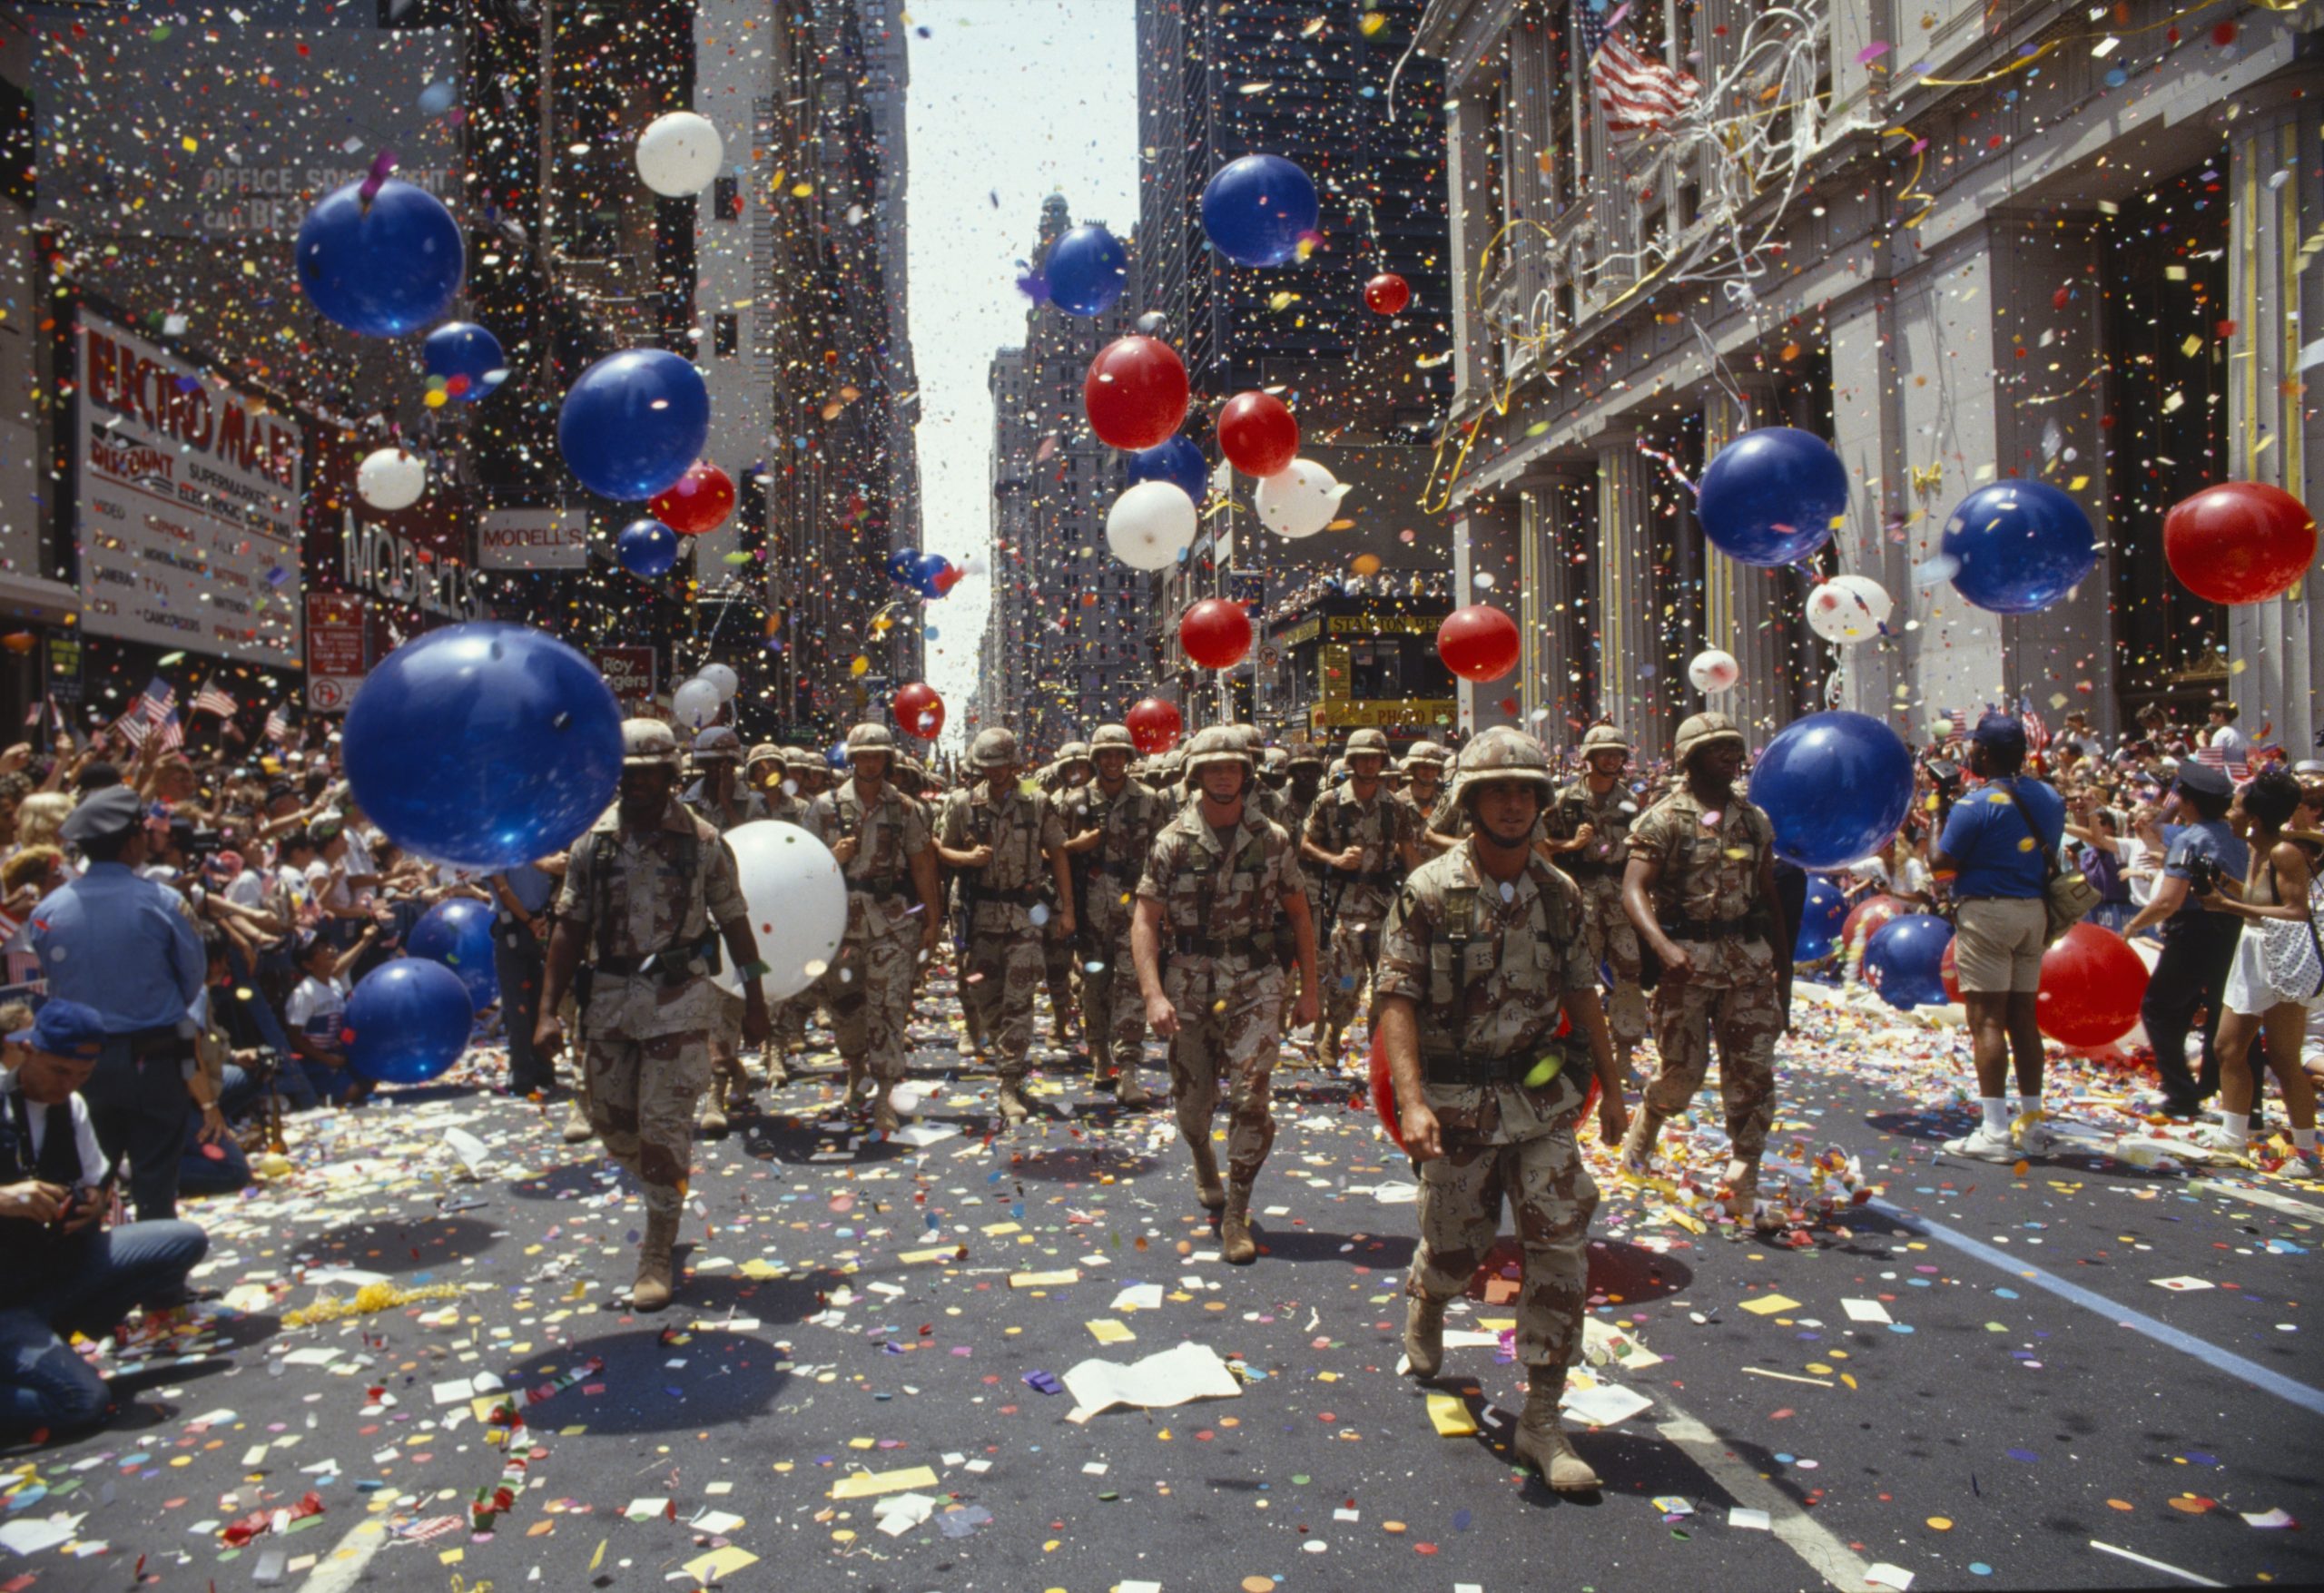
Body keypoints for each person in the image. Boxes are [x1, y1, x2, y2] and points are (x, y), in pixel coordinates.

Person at [1376, 725, 1627, 1491]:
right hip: (1458, 1106)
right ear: (1472, 801)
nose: (1514, 805)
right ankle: (1428, 1294)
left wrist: (1614, 1087)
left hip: (1541, 1099)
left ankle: (1543, 1418)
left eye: (1526, 791)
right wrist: (1413, 1102)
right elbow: (1396, 996)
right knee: (1459, 1246)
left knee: (1560, 1239)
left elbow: (1583, 992)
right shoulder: (1427, 891)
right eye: (1499, 791)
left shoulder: (1561, 894)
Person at [534, 720, 770, 1312]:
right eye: (626, 775)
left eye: (647, 775)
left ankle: (658, 1246)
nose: (635, 786)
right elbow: (570, 925)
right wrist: (547, 1011)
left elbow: (736, 919)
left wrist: (758, 999)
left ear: (671, 775)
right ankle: (665, 1183)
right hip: (610, 998)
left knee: (663, 1124)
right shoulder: (594, 843)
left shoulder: (704, 841)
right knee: (614, 1122)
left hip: (678, 998)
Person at [1131, 726, 1319, 1263]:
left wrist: (1310, 991)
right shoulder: (1172, 842)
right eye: (1213, 768)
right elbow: (1145, 921)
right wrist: (1153, 996)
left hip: (1256, 981)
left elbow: (1300, 914)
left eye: (1232, 768)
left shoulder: (1273, 839)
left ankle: (1238, 1210)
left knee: (1251, 1097)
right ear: (1196, 775)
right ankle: (1202, 1159)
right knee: (1193, 1111)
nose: (1223, 776)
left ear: (1245, 774)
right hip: (1189, 984)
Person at [0, 999, 210, 1441]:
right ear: (28, 1052)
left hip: (53, 1266)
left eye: (82, 1076)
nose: (69, 1086)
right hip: (6, 1297)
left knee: (181, 1240)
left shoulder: (72, 1107)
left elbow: (98, 1184)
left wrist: (92, 1205)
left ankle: (61, 1332)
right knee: (82, 1403)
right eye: (60, 1072)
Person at [1620, 712, 1789, 1231]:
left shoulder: (1754, 821)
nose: (1730, 757)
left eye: (1734, 748)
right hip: (1687, 966)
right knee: (1682, 1075)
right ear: (1688, 759)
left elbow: (1769, 896)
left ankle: (1746, 1175)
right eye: (1716, 748)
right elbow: (1633, 888)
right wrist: (1662, 945)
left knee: (1753, 1074)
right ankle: (1649, 1117)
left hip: (1748, 964)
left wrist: (1787, 973)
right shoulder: (1664, 819)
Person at [27, 787, 207, 1223]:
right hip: (158, 1048)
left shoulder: (46, 912)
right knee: (157, 1175)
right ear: (132, 841)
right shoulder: (164, 902)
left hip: (81, 1059)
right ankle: (162, 1282)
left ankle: (98, 1278)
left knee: (90, 1175)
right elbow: (192, 977)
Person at [1929, 713, 2069, 1160]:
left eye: (1974, 748)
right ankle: (2031, 1127)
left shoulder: (1976, 804)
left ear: (1983, 754)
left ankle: (1994, 1131)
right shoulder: (2049, 797)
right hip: (2034, 913)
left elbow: (1940, 864)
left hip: (1988, 913)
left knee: (1987, 1020)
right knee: (2023, 1020)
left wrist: (1938, 811)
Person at [803, 723, 941, 1131]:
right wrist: (833, 857)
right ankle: (854, 1068)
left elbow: (922, 864)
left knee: (888, 1008)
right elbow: (805, 869)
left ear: (887, 759)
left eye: (876, 755)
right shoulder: (823, 808)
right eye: (863, 755)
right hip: (840, 922)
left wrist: (932, 921)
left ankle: (884, 1093)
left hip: (892, 922)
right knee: (845, 1009)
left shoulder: (904, 808)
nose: (869, 762)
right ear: (852, 760)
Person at [935, 727, 1073, 1123]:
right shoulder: (962, 803)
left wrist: (1067, 910)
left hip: (1024, 914)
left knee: (1020, 1000)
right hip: (978, 915)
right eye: (988, 766)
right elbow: (940, 851)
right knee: (988, 1001)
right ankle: (1005, 1059)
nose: (996, 773)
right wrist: (968, 859)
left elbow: (1058, 853)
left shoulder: (1035, 799)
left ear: (1015, 764)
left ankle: (1009, 1081)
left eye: (1002, 766)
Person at [2191, 767, 2321, 1170]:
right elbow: (2260, 897)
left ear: (2255, 818)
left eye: (2235, 808)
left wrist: (2229, 906)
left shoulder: (2284, 852)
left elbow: (2295, 911)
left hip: (2280, 958)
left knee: (2283, 1057)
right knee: (2227, 1047)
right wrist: (2223, 885)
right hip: (2252, 953)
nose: (2229, 815)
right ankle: (2234, 1139)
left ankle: (2306, 1153)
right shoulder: (2255, 851)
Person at [2119, 762, 2249, 1116]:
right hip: (2234, 930)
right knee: (2219, 1011)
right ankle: (2213, 1086)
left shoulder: (2190, 839)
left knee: (2159, 1009)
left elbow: (2168, 900)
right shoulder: (2238, 838)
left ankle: (2180, 1092)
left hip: (2194, 931)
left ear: (2189, 802)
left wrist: (2132, 927)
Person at [1059, 723, 1168, 1106]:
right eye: (1105, 754)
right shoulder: (1075, 802)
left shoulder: (1149, 800)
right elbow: (1055, 857)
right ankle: (1099, 1054)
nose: (1112, 761)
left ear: (1128, 758)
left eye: (1118, 754)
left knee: (1132, 985)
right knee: (1095, 984)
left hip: (1135, 905)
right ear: (1095, 759)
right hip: (1091, 906)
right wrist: (1068, 910)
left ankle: (1128, 1069)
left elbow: (1163, 853)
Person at [1300, 726, 1419, 1067]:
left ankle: (1381, 1047)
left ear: (1382, 761)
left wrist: (1420, 892)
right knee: (1347, 979)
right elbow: (1305, 845)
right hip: (1345, 904)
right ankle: (1332, 1035)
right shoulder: (1330, 802)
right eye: (1362, 758)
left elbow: (1409, 852)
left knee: (1389, 979)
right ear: (1351, 761)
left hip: (1384, 905)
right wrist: (1334, 860)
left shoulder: (1394, 807)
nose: (1369, 764)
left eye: (1375, 758)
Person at [1541, 722, 1650, 1082]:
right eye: (1605, 753)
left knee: (1628, 977)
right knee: (1578, 979)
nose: (1613, 758)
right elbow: (1539, 847)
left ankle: (1624, 1055)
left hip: (1620, 902)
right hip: (1580, 900)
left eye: (1618, 753)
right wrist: (1569, 845)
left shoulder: (1630, 801)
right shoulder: (1565, 801)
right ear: (1588, 758)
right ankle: (1580, 1052)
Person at [1039, 741, 1094, 1054]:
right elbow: (1044, 851)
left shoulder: (1102, 798)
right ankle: (1060, 1019)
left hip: (1098, 892)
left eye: (1082, 767)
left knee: (1095, 964)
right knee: (1056, 961)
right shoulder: (1050, 804)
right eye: (1070, 768)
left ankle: (1094, 1023)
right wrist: (1075, 846)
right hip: (1059, 893)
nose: (1076, 773)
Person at [491, 859, 562, 1097]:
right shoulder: (541, 846)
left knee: (518, 1005)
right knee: (537, 1001)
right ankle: (542, 1069)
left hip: (521, 927)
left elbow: (503, 889)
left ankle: (523, 1073)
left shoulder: (496, 849)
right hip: (536, 924)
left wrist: (532, 922)